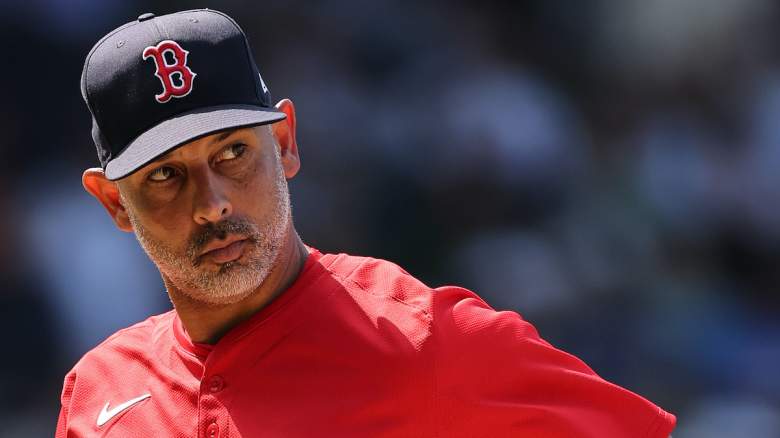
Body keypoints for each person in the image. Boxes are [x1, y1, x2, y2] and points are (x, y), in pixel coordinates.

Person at [57, 9, 676, 437]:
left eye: (233, 153)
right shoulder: (98, 392)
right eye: (165, 175)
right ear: (113, 201)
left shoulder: (426, 341)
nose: (212, 202)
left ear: (286, 141)